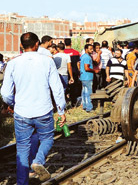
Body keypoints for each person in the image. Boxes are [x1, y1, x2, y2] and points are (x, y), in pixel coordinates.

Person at [1, 32, 66, 183]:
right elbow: (57, 88)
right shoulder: (47, 61)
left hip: (22, 112)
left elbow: (5, 93)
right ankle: (38, 161)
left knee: (22, 149)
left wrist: (13, 104)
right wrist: (61, 110)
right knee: (47, 138)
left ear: (21, 46)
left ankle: (22, 182)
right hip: (43, 110)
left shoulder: (12, 63)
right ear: (37, 44)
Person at [63, 39, 81, 107]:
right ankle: (73, 103)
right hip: (74, 72)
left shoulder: (62, 52)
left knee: (65, 88)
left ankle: (66, 103)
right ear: (71, 43)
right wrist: (79, 72)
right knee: (74, 88)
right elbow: (78, 63)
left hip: (65, 73)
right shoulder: (76, 52)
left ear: (64, 43)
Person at [79, 44, 95, 112]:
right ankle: (89, 107)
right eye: (90, 49)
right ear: (86, 49)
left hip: (83, 76)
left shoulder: (83, 56)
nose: (92, 50)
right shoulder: (87, 57)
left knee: (84, 92)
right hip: (87, 77)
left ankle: (85, 106)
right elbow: (86, 68)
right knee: (89, 93)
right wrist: (94, 70)